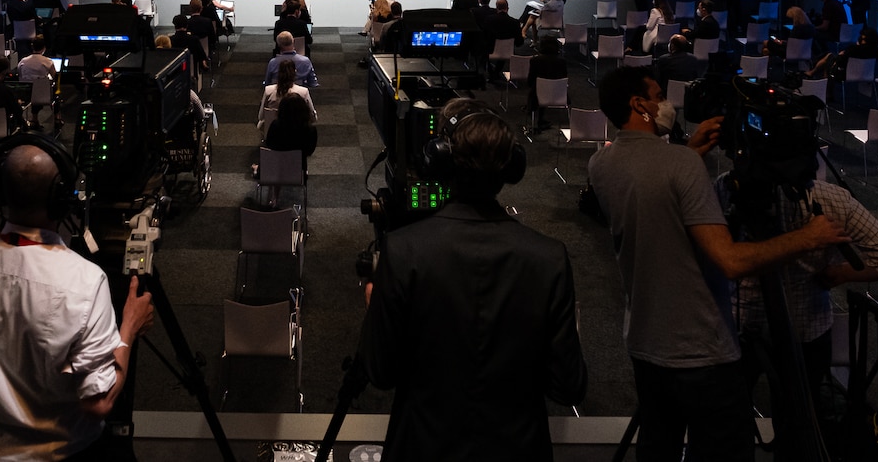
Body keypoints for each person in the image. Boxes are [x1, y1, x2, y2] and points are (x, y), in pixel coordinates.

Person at [587, 67, 847, 462]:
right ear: (639, 104)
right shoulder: (682, 165)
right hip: (702, 351)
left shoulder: (601, 164)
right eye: (658, 95)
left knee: (659, 446)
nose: (665, 103)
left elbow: (653, 187)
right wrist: (808, 238)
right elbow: (730, 260)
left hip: (644, 341)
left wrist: (688, 153)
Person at [358, 98, 586, 460]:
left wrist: (377, 310)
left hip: (423, 446)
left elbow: (381, 372)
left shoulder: (403, 251)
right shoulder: (549, 258)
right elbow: (568, 386)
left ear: (441, 161)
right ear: (510, 167)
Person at [0, 139, 154, 461]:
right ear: (60, 199)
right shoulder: (84, 279)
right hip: (65, 452)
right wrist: (129, 328)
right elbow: (99, 403)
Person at [734, 178, 878, 401]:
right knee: (797, 421)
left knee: (729, 421)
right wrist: (839, 273)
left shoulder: (728, 190)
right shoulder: (832, 198)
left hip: (737, 327)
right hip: (806, 327)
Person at [257, 59, 316, 136]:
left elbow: (261, 116)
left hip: (274, 135)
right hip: (297, 135)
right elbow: (313, 118)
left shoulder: (268, 90)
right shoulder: (303, 92)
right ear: (295, 72)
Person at [526, 35, 567, 128]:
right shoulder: (562, 61)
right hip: (558, 93)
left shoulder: (535, 60)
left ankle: (531, 110)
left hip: (537, 93)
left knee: (536, 88)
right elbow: (564, 77)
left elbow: (530, 79)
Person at [17, 36, 56, 129]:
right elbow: (55, 77)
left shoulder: (22, 61)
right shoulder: (48, 61)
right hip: (43, 94)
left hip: (26, 94)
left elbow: (20, 76)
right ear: (44, 48)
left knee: (34, 87)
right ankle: (57, 118)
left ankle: (34, 119)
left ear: (32, 47)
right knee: (55, 92)